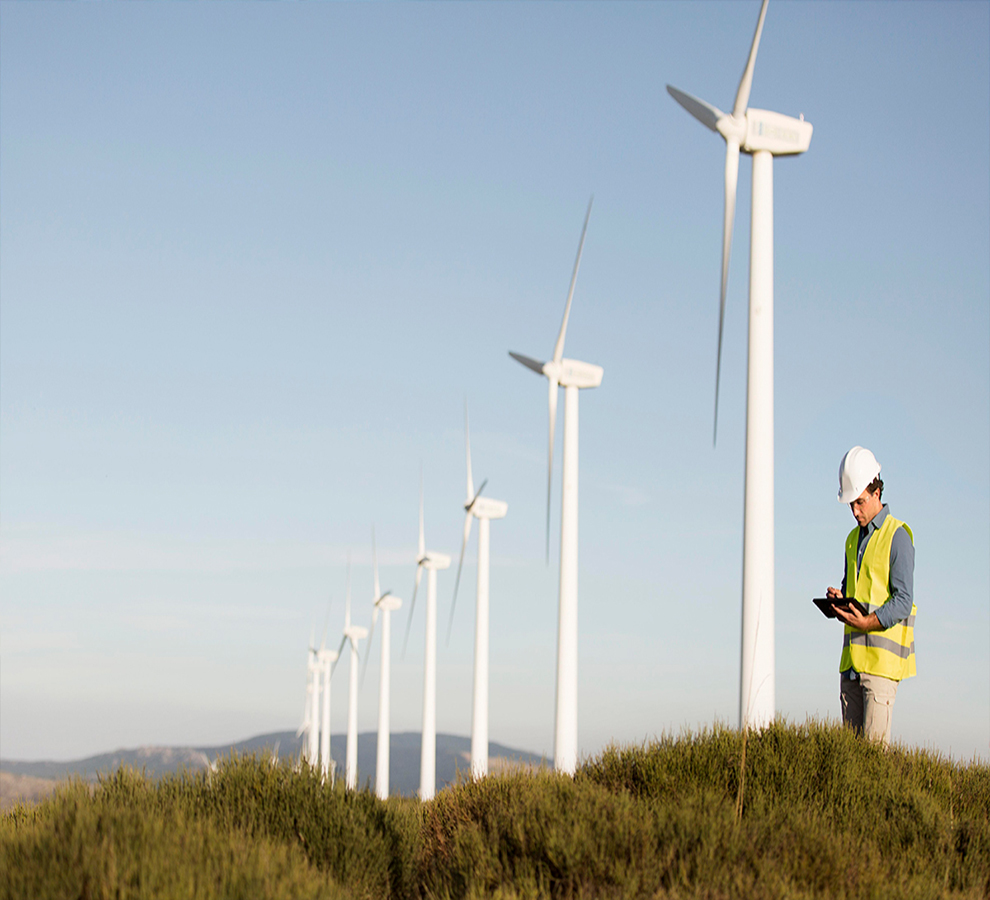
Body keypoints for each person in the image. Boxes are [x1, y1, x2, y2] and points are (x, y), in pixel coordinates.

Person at [826, 446, 916, 747]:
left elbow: (903, 600)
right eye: (851, 504)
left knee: (873, 762)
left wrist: (867, 622)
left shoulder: (898, 536)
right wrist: (841, 598)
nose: (855, 511)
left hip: (880, 669)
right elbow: (857, 591)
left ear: (876, 491)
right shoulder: (852, 540)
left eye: (860, 502)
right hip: (850, 665)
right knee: (849, 763)